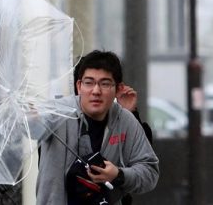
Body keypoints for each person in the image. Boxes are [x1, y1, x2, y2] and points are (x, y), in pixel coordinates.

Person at [36, 50, 159, 205]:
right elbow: (35, 129)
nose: (96, 91)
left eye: (105, 84)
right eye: (89, 82)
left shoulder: (125, 120)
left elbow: (149, 172)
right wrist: (31, 119)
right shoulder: (58, 112)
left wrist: (119, 175)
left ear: (118, 89)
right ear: (79, 86)